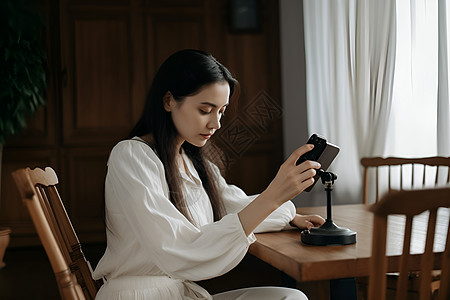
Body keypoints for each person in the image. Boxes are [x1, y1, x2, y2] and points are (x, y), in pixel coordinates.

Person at [93, 49, 325, 300]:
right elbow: (176, 249)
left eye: (221, 111)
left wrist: (288, 214)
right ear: (169, 100)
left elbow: (232, 207)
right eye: (205, 110)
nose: (216, 124)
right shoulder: (131, 156)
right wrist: (273, 195)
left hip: (180, 294)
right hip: (140, 295)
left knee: (290, 298)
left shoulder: (196, 164)